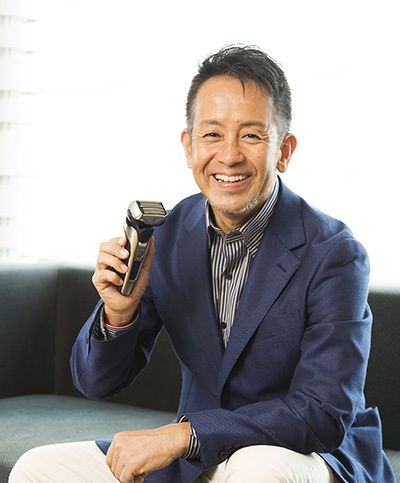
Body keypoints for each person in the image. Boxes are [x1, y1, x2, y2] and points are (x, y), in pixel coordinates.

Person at [9, 45, 396, 483]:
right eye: (212, 134)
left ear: (284, 151)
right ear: (188, 145)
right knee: (39, 468)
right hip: (200, 456)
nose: (228, 156)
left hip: (309, 455)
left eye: (252, 136)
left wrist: (185, 434)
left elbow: (322, 413)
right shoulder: (170, 234)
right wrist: (119, 314)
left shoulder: (335, 253)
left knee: (260, 468)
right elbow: (96, 382)